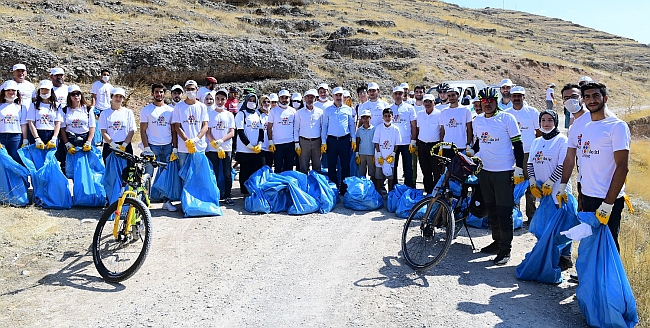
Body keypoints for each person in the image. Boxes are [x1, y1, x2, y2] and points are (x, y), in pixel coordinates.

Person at [558, 82, 630, 252]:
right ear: (583, 101)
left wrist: (608, 203)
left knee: (608, 246)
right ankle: (588, 278)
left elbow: (622, 167)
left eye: (596, 95)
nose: (592, 100)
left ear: (605, 98)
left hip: (608, 198)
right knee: (590, 245)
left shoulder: (617, 126)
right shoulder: (583, 127)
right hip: (588, 196)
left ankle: (609, 279)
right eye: (588, 96)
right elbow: (581, 163)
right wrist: (577, 193)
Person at [472, 87, 524, 265]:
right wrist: (472, 151)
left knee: (504, 211)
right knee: (491, 210)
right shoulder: (478, 120)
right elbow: (479, 142)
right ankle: (496, 241)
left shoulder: (507, 118)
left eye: (490, 101)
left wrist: (519, 167)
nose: (487, 104)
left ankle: (505, 249)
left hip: (503, 170)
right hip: (485, 171)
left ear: (496, 101)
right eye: (484, 102)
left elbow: (518, 144)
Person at [527, 110, 572, 270]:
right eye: (543, 120)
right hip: (542, 190)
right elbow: (530, 163)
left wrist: (551, 182)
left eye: (550, 120)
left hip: (558, 188)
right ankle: (550, 252)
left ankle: (565, 256)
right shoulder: (536, 141)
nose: (546, 123)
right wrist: (532, 182)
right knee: (548, 222)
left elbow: (563, 165)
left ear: (556, 122)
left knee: (563, 222)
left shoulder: (562, 140)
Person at [139, 83, 177, 212]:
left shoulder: (170, 110)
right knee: (148, 174)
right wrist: (146, 148)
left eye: (161, 92)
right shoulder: (146, 110)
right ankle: (144, 201)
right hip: (152, 146)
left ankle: (166, 201)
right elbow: (143, 130)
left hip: (167, 146)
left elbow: (173, 130)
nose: (159, 94)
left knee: (166, 174)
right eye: (156, 92)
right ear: (152, 93)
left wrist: (175, 147)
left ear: (164, 94)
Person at [506, 86, 541, 222]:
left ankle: (531, 215)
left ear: (523, 97)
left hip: (528, 153)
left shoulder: (532, 112)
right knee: (513, 184)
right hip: (511, 153)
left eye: (519, 96)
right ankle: (515, 215)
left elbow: (538, 133)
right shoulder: (506, 113)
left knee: (529, 183)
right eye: (514, 96)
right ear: (510, 97)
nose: (516, 99)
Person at [322, 86, 356, 194]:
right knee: (332, 165)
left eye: (340, 95)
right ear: (332, 96)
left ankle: (344, 188)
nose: (338, 97)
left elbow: (351, 125)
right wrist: (323, 141)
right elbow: (324, 126)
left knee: (345, 165)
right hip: (331, 141)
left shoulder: (348, 109)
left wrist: (353, 139)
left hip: (345, 140)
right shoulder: (327, 110)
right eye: (336, 95)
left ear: (343, 97)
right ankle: (334, 188)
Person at [206, 88, 235, 205]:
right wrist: (215, 144)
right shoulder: (210, 114)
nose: (219, 101)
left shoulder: (229, 115)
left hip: (226, 148)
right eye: (217, 99)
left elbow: (232, 132)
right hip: (212, 149)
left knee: (227, 173)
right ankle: (215, 195)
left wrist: (221, 141)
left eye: (222, 99)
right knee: (215, 173)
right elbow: (207, 132)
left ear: (226, 100)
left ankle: (227, 195)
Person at [171, 80, 209, 169]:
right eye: (188, 89)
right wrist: (187, 141)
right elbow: (177, 126)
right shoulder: (178, 107)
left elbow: (205, 125)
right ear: (185, 90)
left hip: (199, 147)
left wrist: (195, 140)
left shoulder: (202, 106)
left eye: (192, 89)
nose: (190, 91)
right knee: (184, 173)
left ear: (197, 90)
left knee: (198, 173)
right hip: (183, 147)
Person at [59, 85, 96, 172]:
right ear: (69, 96)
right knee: (69, 168)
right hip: (70, 140)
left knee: (85, 168)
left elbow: (92, 127)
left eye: (78, 94)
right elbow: (62, 128)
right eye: (73, 94)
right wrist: (67, 143)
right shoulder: (64, 110)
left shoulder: (88, 109)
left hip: (85, 140)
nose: (76, 96)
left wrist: (89, 141)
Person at [234, 93, 263, 195]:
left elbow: (261, 130)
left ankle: (251, 189)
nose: (252, 102)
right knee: (245, 170)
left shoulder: (257, 114)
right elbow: (240, 131)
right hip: (244, 148)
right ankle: (244, 190)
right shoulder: (241, 114)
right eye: (249, 100)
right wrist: (249, 145)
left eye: (253, 100)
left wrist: (259, 143)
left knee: (254, 169)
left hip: (256, 148)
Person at [389, 86, 417, 188]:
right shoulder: (389, 108)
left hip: (406, 143)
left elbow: (413, 125)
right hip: (393, 143)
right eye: (396, 94)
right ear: (393, 95)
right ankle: (393, 189)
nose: (398, 96)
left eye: (400, 94)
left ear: (403, 94)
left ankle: (408, 188)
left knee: (408, 167)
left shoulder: (409, 108)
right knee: (393, 166)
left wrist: (413, 140)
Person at [98, 87, 137, 161]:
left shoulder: (128, 112)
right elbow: (103, 132)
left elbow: (132, 130)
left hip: (125, 146)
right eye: (116, 96)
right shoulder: (104, 113)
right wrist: (113, 145)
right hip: (110, 146)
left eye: (121, 96)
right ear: (112, 97)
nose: (118, 98)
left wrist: (124, 145)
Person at [416, 94, 442, 194]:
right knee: (425, 170)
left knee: (436, 170)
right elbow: (418, 129)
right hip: (422, 145)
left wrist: (441, 145)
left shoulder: (439, 114)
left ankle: (436, 193)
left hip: (434, 146)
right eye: (426, 101)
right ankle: (428, 192)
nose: (427, 104)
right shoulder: (420, 114)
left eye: (430, 101)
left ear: (434, 102)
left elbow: (442, 130)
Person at [27, 80, 63, 151]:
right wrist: (37, 138)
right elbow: (31, 123)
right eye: (42, 89)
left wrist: (54, 138)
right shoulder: (34, 105)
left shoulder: (57, 105)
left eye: (47, 90)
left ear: (51, 91)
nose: (44, 92)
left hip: (51, 133)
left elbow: (58, 123)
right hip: (38, 133)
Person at [438, 87, 473, 158]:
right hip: (447, 146)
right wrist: (441, 145)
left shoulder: (465, 110)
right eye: (449, 96)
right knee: (448, 168)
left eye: (453, 95)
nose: (451, 98)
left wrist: (468, 144)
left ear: (458, 95)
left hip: (461, 146)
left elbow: (469, 129)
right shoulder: (443, 112)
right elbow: (442, 130)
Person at [294, 89, 322, 173]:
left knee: (317, 166)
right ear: (304, 99)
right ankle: (304, 185)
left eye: (312, 97)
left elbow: (322, 128)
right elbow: (296, 128)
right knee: (303, 167)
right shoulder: (299, 113)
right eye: (308, 97)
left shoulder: (320, 112)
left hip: (317, 142)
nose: (310, 99)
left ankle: (316, 184)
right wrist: (296, 143)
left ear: (315, 99)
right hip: (303, 142)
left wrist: (323, 142)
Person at [267, 89, 296, 173]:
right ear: (279, 99)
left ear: (289, 98)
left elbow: (296, 127)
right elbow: (269, 127)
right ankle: (278, 186)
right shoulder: (273, 111)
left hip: (290, 143)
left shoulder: (293, 111)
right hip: (277, 144)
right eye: (282, 98)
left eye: (286, 97)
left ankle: (288, 185)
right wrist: (270, 141)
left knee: (289, 167)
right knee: (278, 167)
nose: (284, 100)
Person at [0, 80, 28, 164]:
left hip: (16, 137)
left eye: (13, 90)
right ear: (4, 92)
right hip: (1, 136)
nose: (11, 92)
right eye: (8, 90)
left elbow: (23, 124)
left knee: (16, 160)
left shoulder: (22, 107)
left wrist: (25, 139)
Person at [373, 108, 400, 191]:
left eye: (389, 116)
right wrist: (378, 154)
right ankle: (378, 194)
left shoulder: (396, 129)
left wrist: (393, 154)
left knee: (390, 177)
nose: (387, 118)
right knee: (378, 177)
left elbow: (397, 143)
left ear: (392, 117)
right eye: (385, 116)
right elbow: (376, 142)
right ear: (383, 117)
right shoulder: (379, 128)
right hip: (380, 156)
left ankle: (390, 194)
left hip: (390, 157)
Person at [355, 110, 376, 188]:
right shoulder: (359, 130)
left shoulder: (374, 129)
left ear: (370, 118)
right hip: (362, 153)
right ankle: (363, 188)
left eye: (367, 117)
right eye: (363, 117)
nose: (365, 119)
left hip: (371, 153)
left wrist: (376, 154)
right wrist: (357, 153)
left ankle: (373, 188)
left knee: (372, 173)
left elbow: (376, 142)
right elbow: (357, 141)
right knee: (362, 172)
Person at [258, 94, 273, 168]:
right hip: (262, 146)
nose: (266, 104)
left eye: (268, 102)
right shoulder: (258, 114)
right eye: (264, 102)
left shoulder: (272, 113)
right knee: (262, 167)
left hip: (271, 145)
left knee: (269, 167)